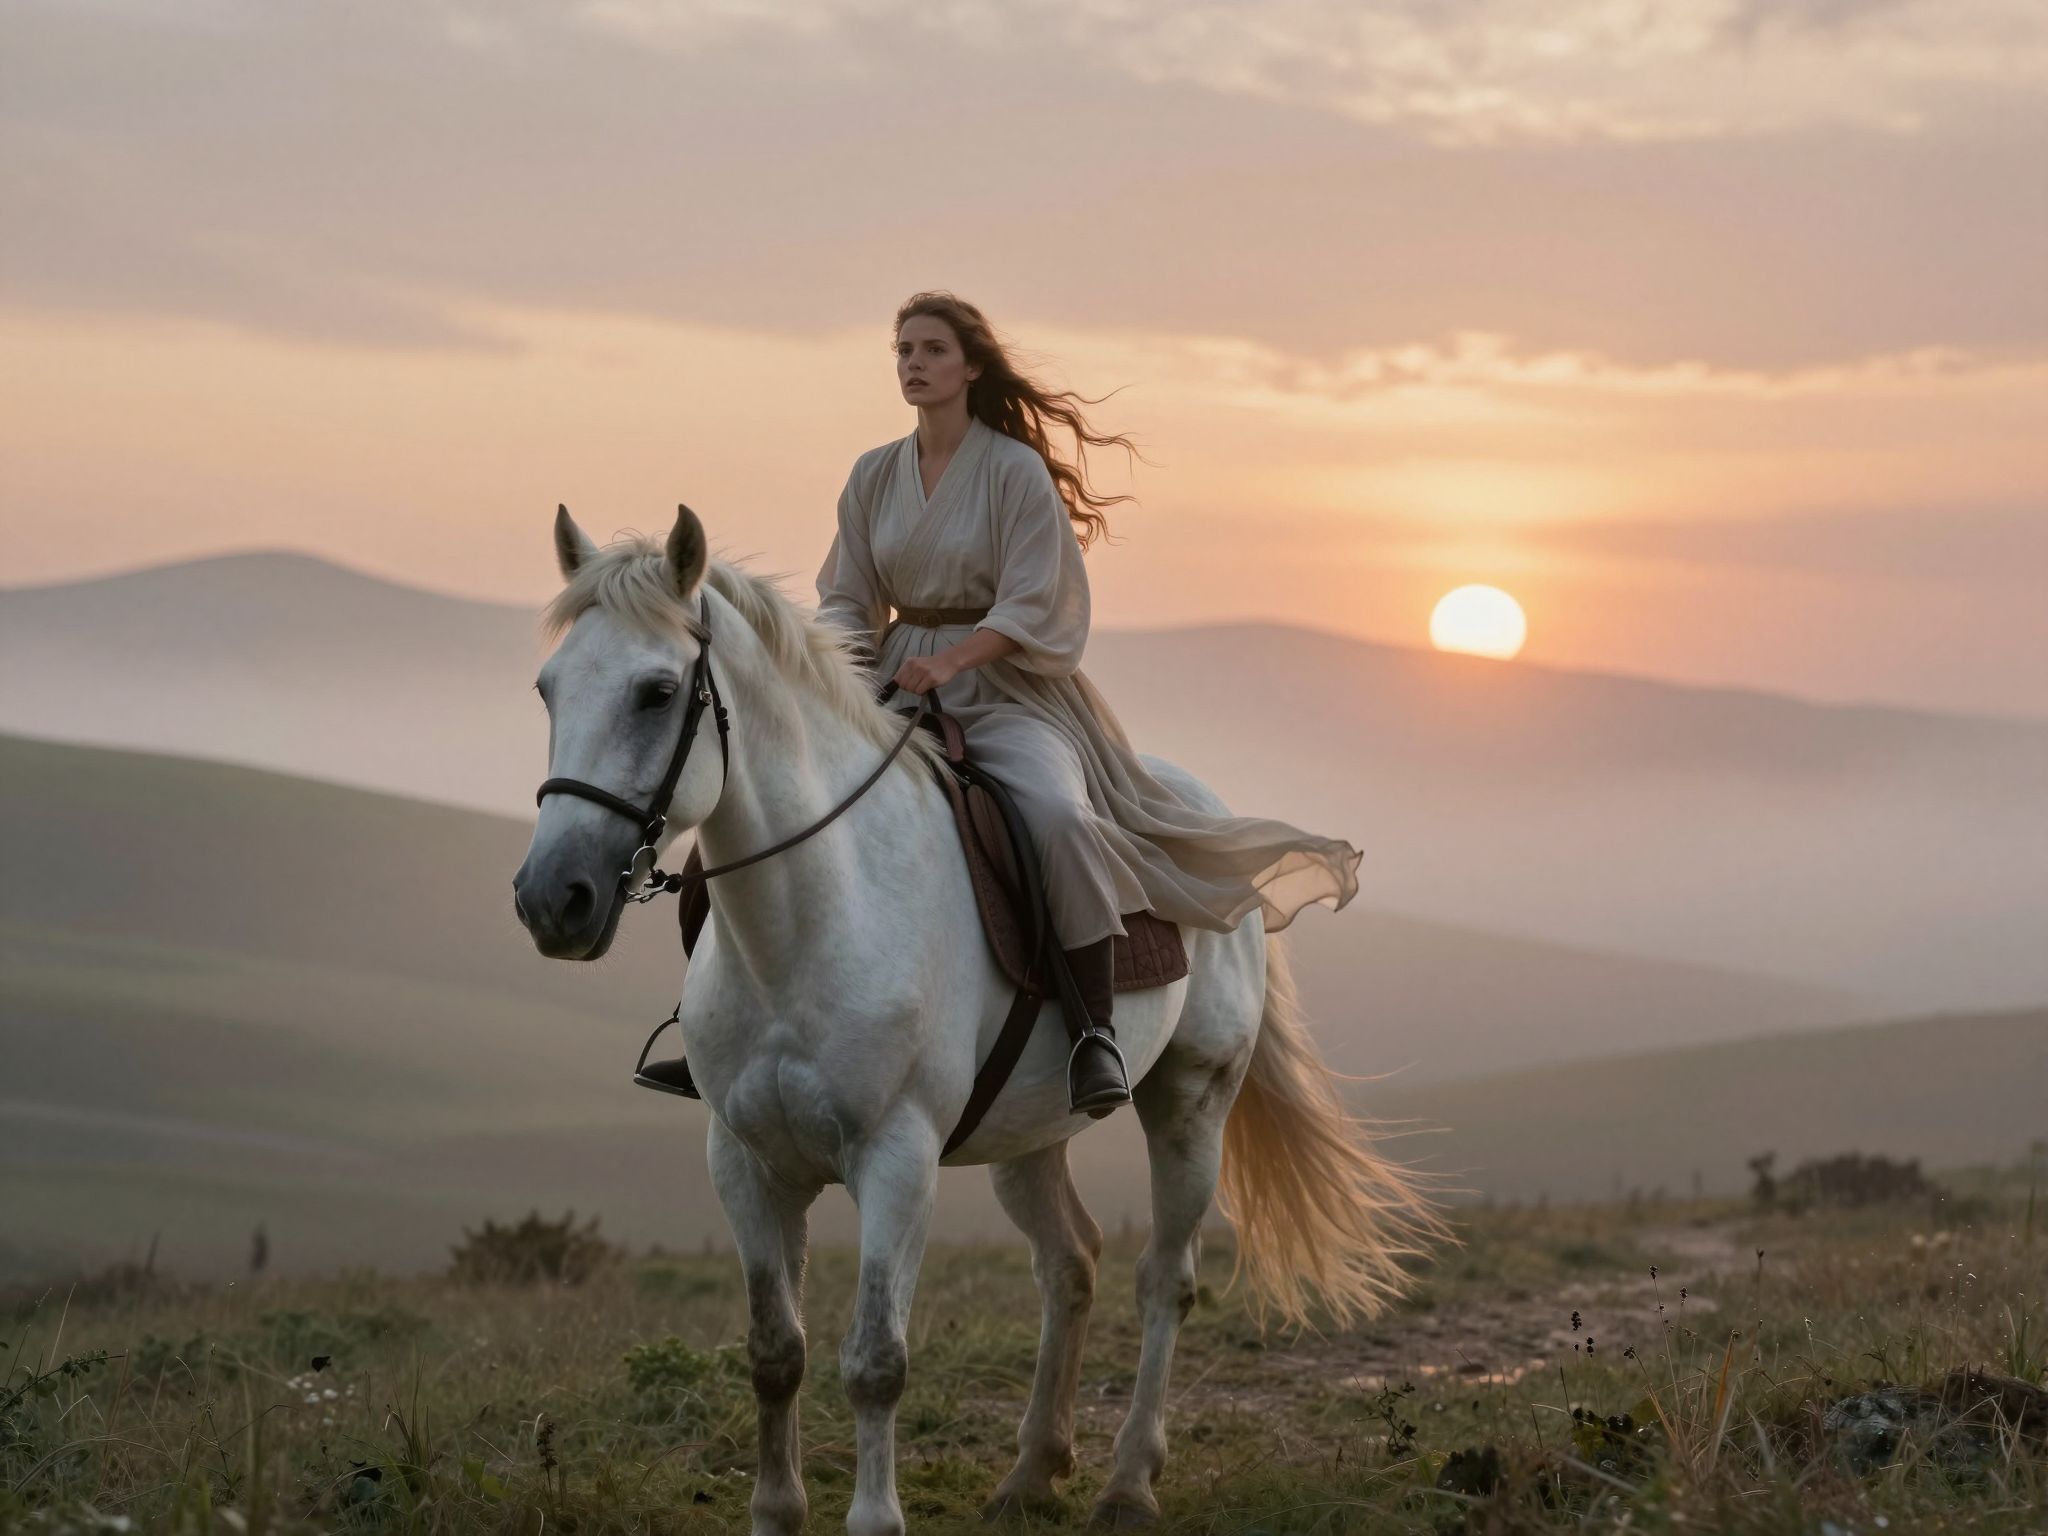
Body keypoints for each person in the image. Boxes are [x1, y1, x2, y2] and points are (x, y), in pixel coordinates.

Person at [635, 291, 1363, 1112]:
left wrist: (951, 660)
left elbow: (1034, 605)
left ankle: (1092, 1032)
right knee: (756, 816)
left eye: (933, 350)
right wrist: (845, 663)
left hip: (1010, 691)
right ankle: (716, 1033)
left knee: (1055, 816)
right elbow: (845, 593)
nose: (913, 363)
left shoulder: (1013, 472)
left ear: (972, 366)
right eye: (903, 350)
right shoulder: (873, 474)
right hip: (890, 682)